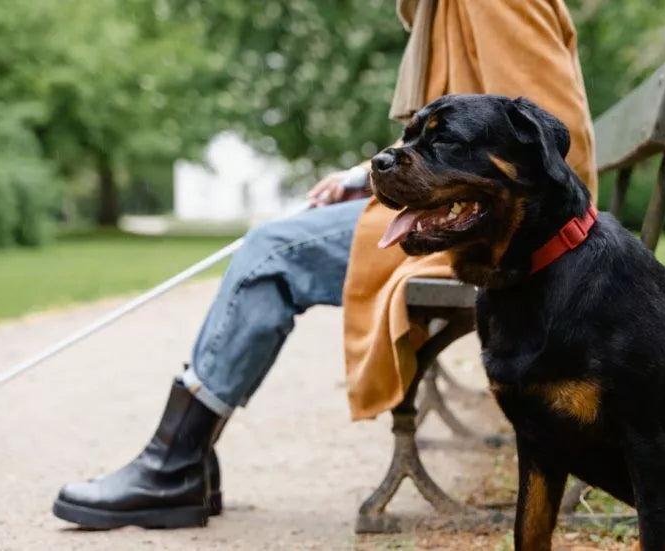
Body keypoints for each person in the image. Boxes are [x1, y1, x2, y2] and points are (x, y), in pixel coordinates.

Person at [53, 0, 598, 529]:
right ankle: (186, 459)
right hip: (461, 214)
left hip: (510, 238)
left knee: (271, 252)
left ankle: (174, 464)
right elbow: (449, 133)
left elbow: (549, 135)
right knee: (274, 243)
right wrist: (365, 178)